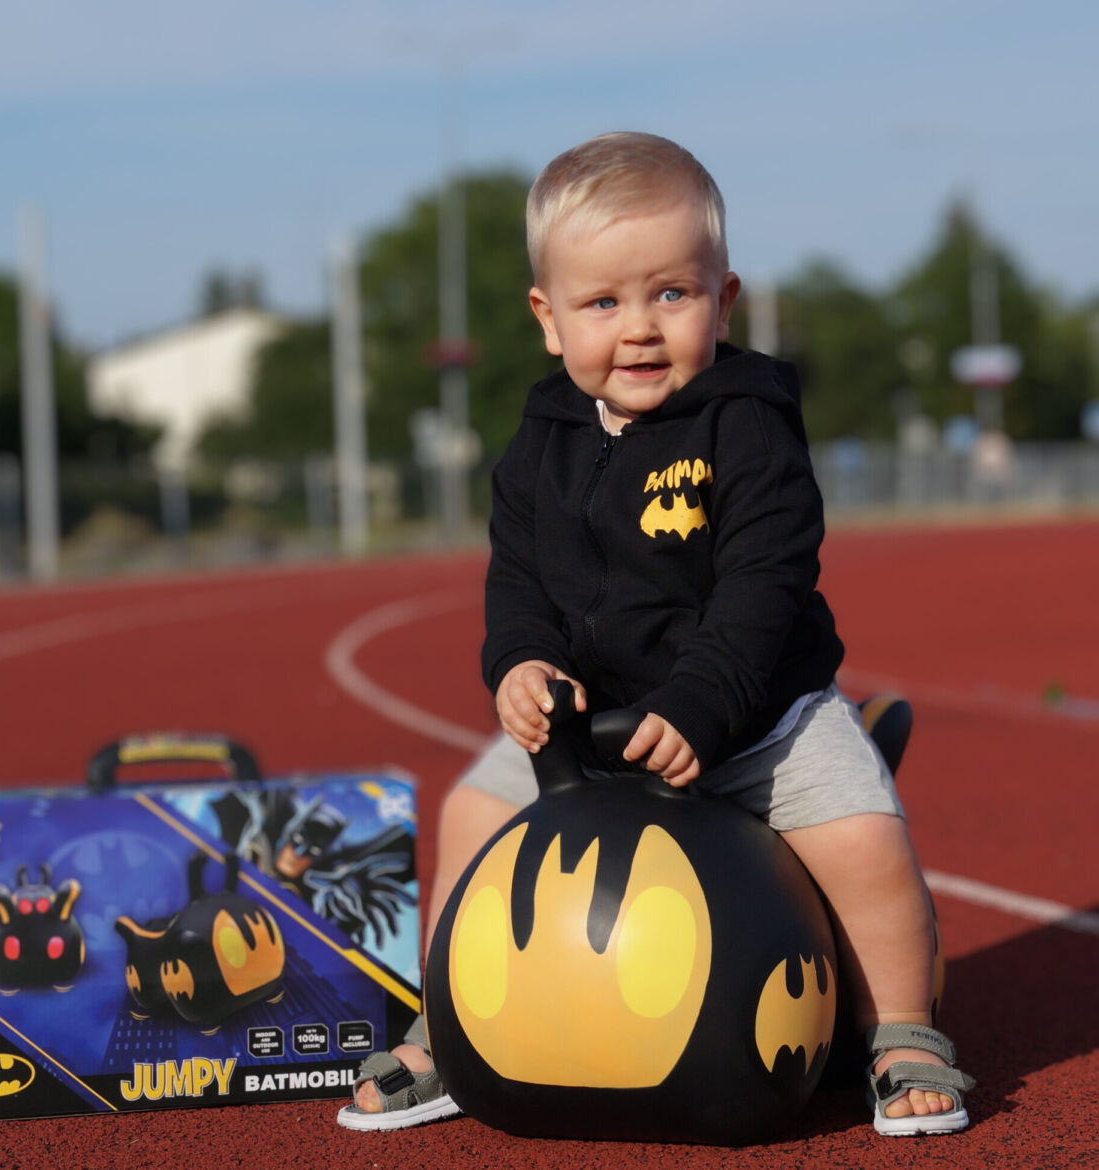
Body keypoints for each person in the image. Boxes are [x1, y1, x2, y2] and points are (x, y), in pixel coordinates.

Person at [338, 130, 974, 1138]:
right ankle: (446, 1028)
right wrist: (519, 663)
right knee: (469, 813)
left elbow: (764, 582)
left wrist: (703, 704)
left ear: (723, 301)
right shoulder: (541, 440)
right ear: (548, 319)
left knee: (863, 841)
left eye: (671, 294)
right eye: (601, 303)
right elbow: (518, 579)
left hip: (754, 716)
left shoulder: (745, 424)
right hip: (589, 726)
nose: (638, 328)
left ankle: (898, 1030)